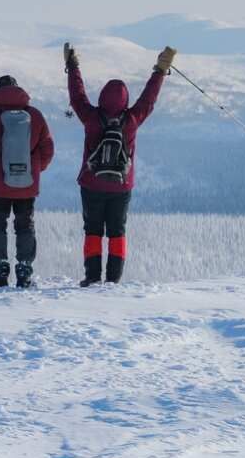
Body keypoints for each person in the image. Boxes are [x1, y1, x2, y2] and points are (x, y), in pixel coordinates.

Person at [65, 42, 176, 285]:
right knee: (117, 232)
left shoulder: (91, 117)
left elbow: (77, 95)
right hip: (122, 185)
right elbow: (149, 98)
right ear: (125, 99)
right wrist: (160, 70)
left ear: (102, 97)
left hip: (91, 184)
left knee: (93, 230)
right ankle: (113, 280)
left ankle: (92, 278)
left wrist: (73, 66)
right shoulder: (132, 119)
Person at [0, 76, 54, 288]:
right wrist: (32, 171)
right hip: (26, 184)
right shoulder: (35, 116)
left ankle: (0, 271)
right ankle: (24, 272)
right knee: (25, 226)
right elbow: (48, 149)